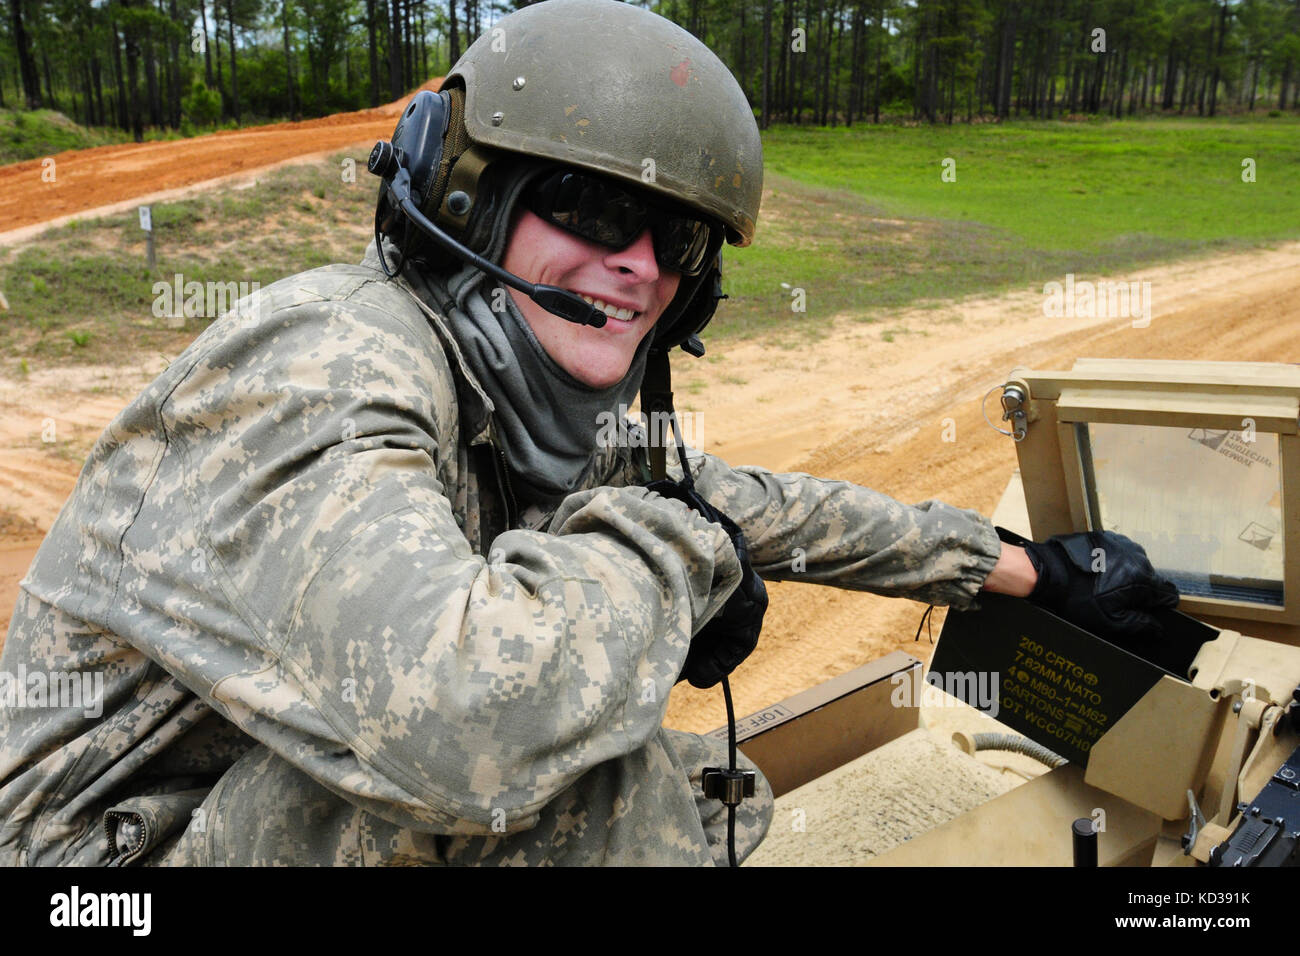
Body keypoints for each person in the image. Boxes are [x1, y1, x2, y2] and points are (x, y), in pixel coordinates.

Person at [0, 0, 1177, 867]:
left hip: (216, 813)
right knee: (568, 779)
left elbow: (733, 500)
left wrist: (1013, 566)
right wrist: (673, 555)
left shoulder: (502, 374)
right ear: (468, 199)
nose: (637, 263)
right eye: (598, 207)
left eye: (676, 239)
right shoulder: (330, 359)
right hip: (94, 873)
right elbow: (474, 723)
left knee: (700, 787)